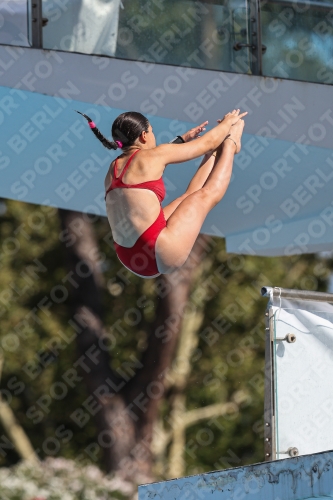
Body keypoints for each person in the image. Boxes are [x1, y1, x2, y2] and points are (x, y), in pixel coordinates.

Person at [77, 110, 246, 278]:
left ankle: (215, 154)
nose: (154, 136)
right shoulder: (152, 156)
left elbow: (154, 156)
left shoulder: (113, 168)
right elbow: (208, 142)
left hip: (129, 257)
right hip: (159, 251)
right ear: (144, 135)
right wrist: (229, 123)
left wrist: (184, 140)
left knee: (186, 199)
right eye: (152, 132)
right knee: (206, 195)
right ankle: (230, 145)